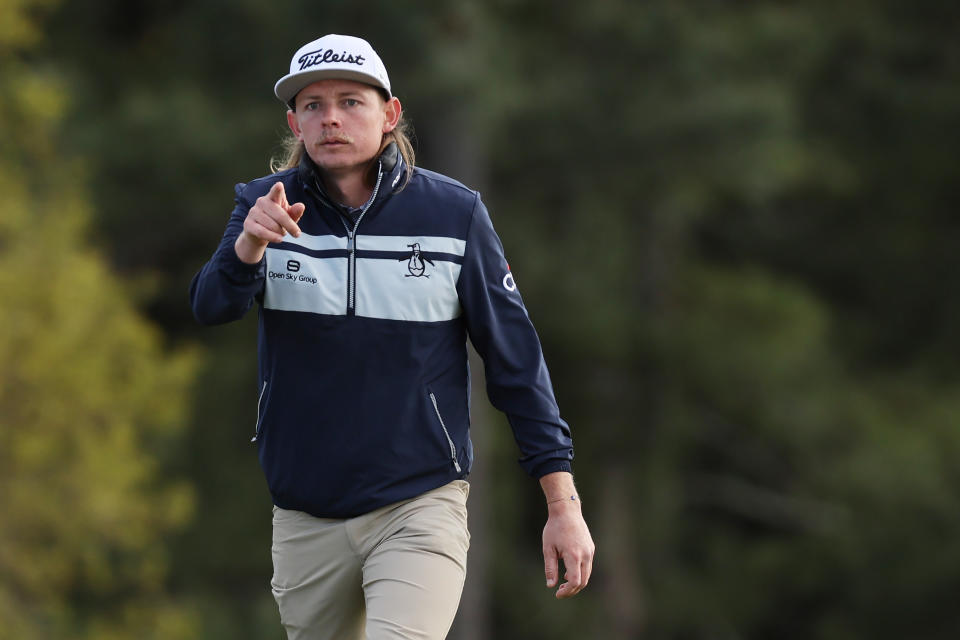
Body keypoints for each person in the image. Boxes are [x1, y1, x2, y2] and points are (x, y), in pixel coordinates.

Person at [189, 33, 594, 640]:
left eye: (351, 101)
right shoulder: (262, 206)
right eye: (313, 104)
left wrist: (562, 506)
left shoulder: (452, 215)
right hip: (305, 513)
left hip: (419, 503)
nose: (331, 118)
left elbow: (516, 362)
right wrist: (248, 246)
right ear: (294, 123)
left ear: (390, 114)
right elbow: (211, 307)